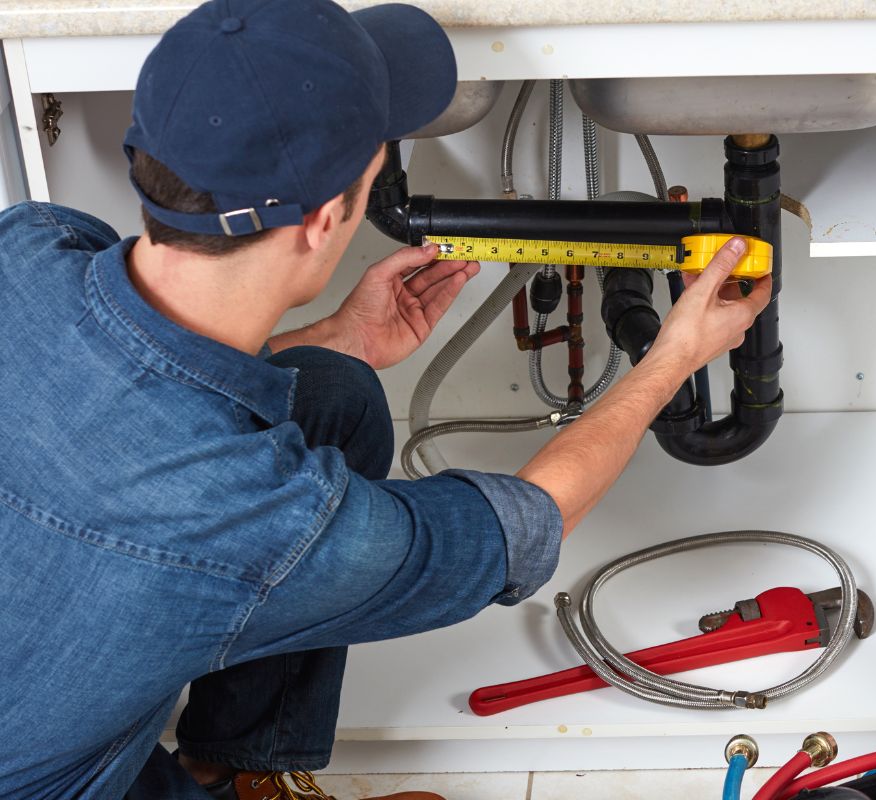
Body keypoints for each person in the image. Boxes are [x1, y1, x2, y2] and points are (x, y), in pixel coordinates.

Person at [0, 1, 772, 799]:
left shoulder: (29, 245)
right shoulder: (260, 521)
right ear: (329, 218)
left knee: (331, 389)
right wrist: (676, 354)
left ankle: (231, 773)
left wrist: (341, 335)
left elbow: (152, 383)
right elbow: (521, 524)